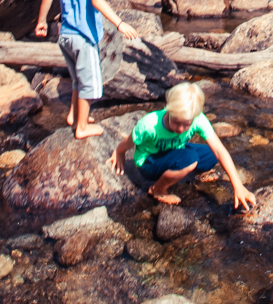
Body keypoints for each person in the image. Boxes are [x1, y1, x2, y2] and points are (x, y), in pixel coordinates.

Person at [33, 0, 140, 139]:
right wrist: (119, 23)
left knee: (77, 79)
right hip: (84, 39)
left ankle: (74, 115)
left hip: (65, 37)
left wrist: (41, 22)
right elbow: (96, 1)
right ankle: (81, 127)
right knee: (89, 82)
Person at [108, 81, 257, 209]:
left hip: (175, 151)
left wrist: (237, 185)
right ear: (169, 109)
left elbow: (219, 150)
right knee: (189, 158)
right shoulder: (149, 125)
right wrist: (119, 152)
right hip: (149, 162)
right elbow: (130, 141)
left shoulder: (197, 118)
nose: (180, 129)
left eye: (186, 125)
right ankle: (158, 189)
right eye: (176, 122)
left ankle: (187, 171)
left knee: (211, 154)